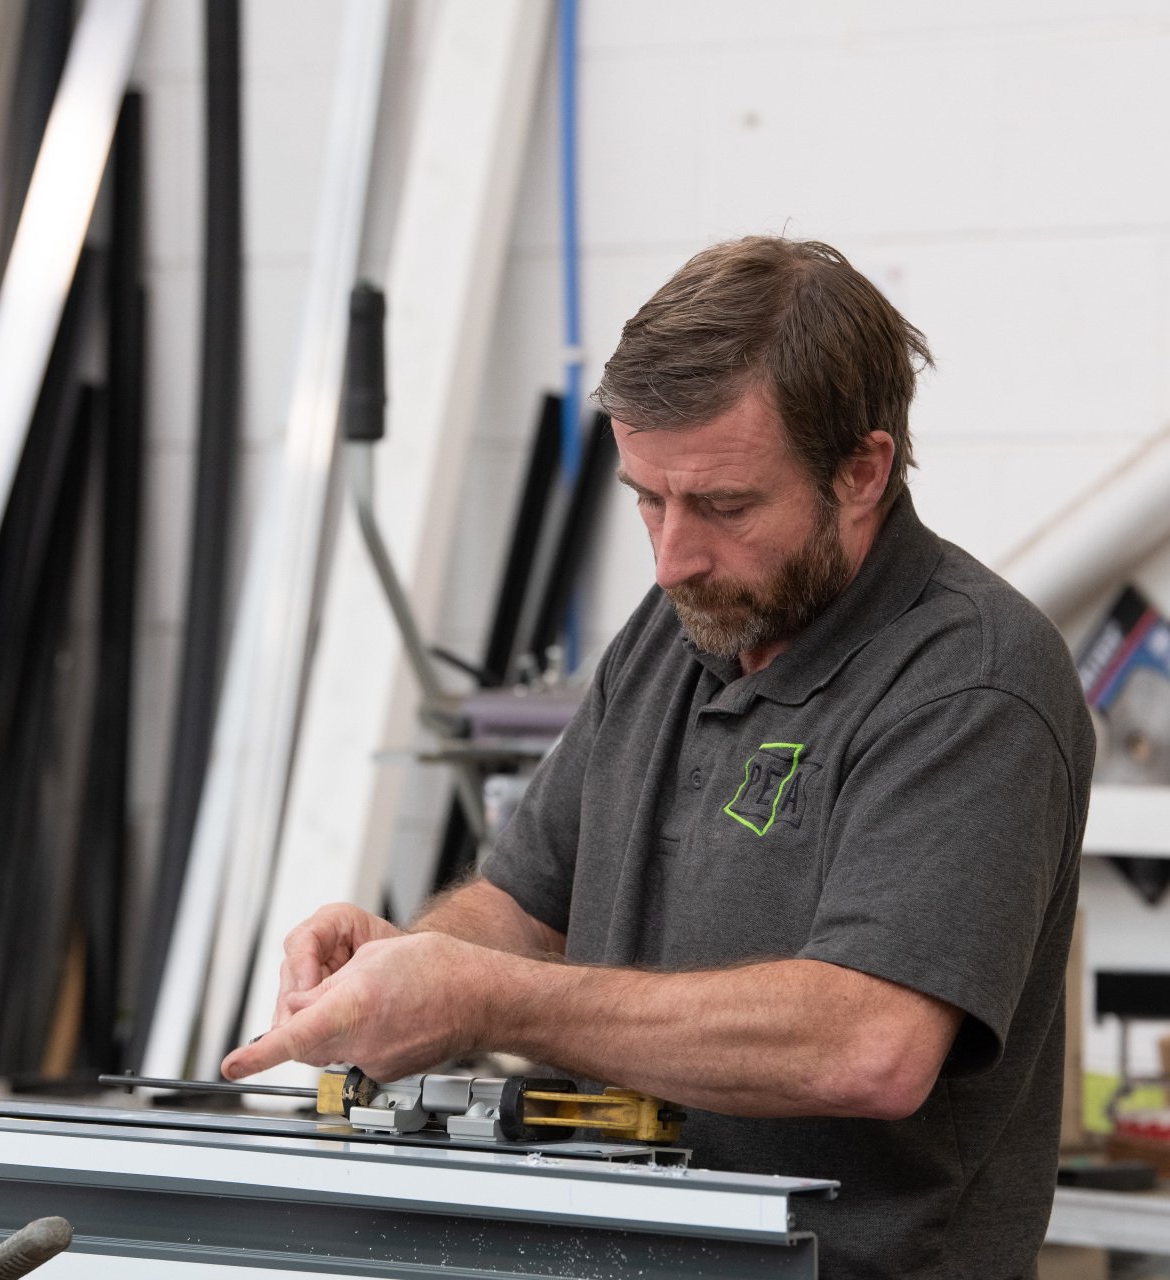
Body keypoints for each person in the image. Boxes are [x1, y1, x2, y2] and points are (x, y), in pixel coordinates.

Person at [224, 236, 1095, 1280]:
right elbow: (522, 908)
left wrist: (480, 997)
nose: (673, 554)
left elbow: (869, 1044)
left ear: (862, 470)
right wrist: (404, 963)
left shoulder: (972, 679)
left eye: (725, 505)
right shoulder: (683, 627)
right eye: (648, 496)